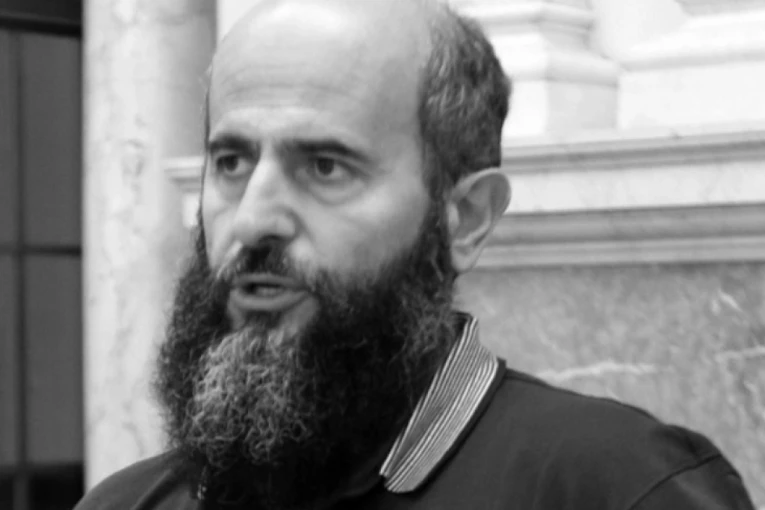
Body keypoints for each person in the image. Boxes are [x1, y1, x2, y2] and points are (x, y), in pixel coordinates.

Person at [74, 0, 757, 508]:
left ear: (465, 218)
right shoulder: (126, 504)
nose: (252, 220)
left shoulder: (619, 489)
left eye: (325, 166)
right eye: (230, 162)